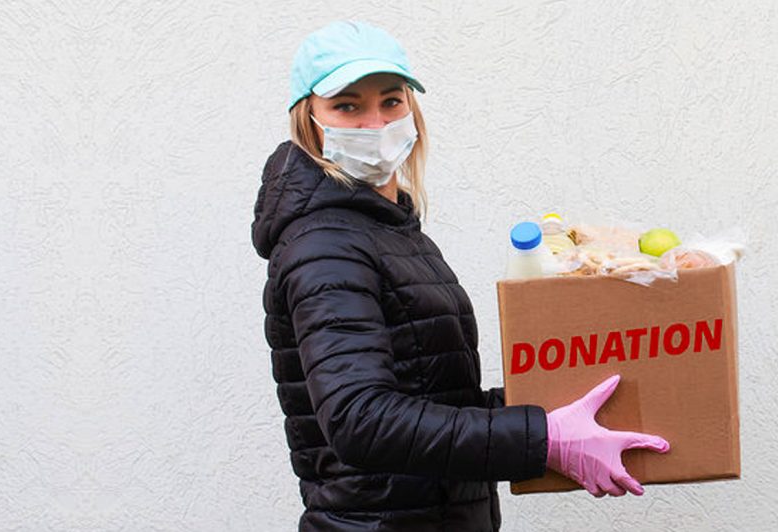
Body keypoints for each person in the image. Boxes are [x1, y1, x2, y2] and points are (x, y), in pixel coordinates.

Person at [251, 20, 671, 531]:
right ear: (309, 120)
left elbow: (438, 400)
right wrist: (543, 438)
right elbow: (359, 419)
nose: (375, 123)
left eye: (391, 100)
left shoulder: (386, 229)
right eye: (347, 106)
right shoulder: (325, 246)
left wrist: (555, 404)